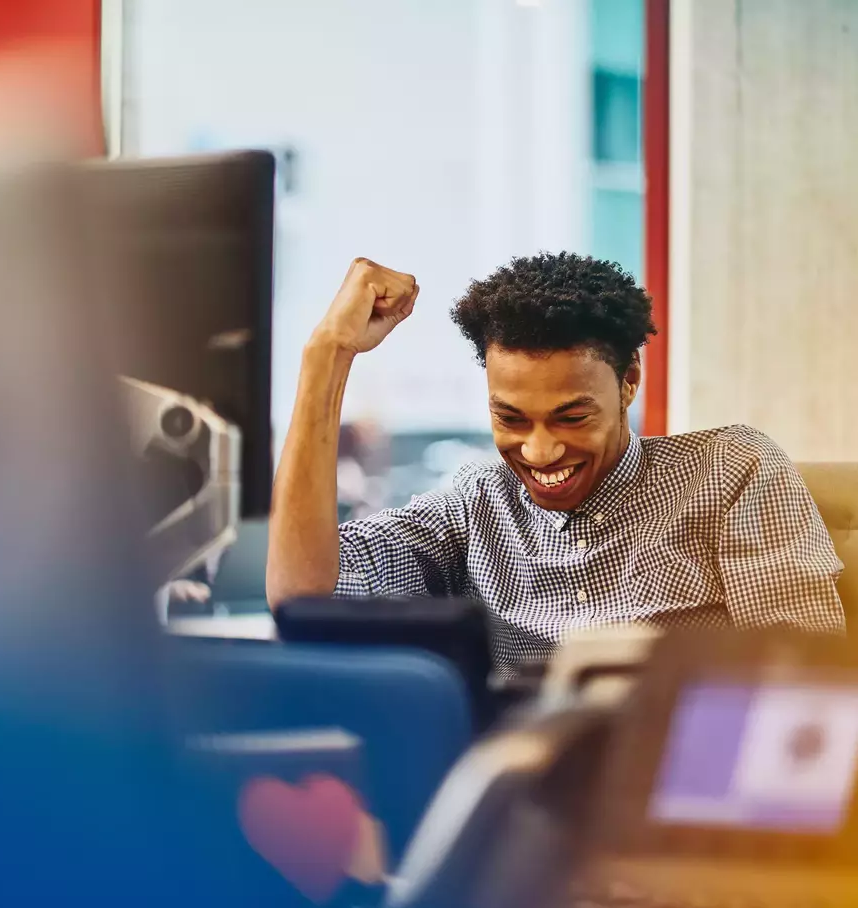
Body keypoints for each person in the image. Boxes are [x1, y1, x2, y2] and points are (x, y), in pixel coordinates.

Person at [266, 254, 845, 680]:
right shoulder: (475, 500)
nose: (540, 452)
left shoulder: (730, 469)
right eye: (512, 419)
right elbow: (303, 594)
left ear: (629, 382)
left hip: (677, 793)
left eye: (571, 418)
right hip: (517, 790)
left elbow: (808, 680)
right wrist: (328, 355)